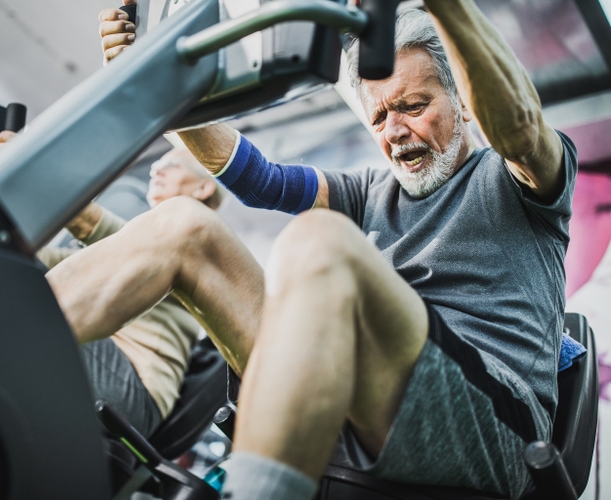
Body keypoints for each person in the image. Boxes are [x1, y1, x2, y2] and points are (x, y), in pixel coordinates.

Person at [49, 1, 577, 498]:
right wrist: (152, 87)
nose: (394, 131)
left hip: (489, 419)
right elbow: (257, 178)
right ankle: (0, 339)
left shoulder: (517, 181)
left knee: (319, 241)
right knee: (184, 225)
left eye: (414, 106)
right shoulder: (373, 192)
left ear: (462, 103)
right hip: (354, 380)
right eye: (378, 118)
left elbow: (522, 128)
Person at [0, 127, 226, 437]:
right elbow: (45, 261)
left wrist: (36, 170)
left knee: (19, 294)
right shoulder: (145, 234)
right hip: (107, 363)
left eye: (172, 164)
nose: (157, 169)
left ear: (203, 188)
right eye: (157, 164)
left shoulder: (197, 241)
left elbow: (90, 223)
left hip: (132, 392)